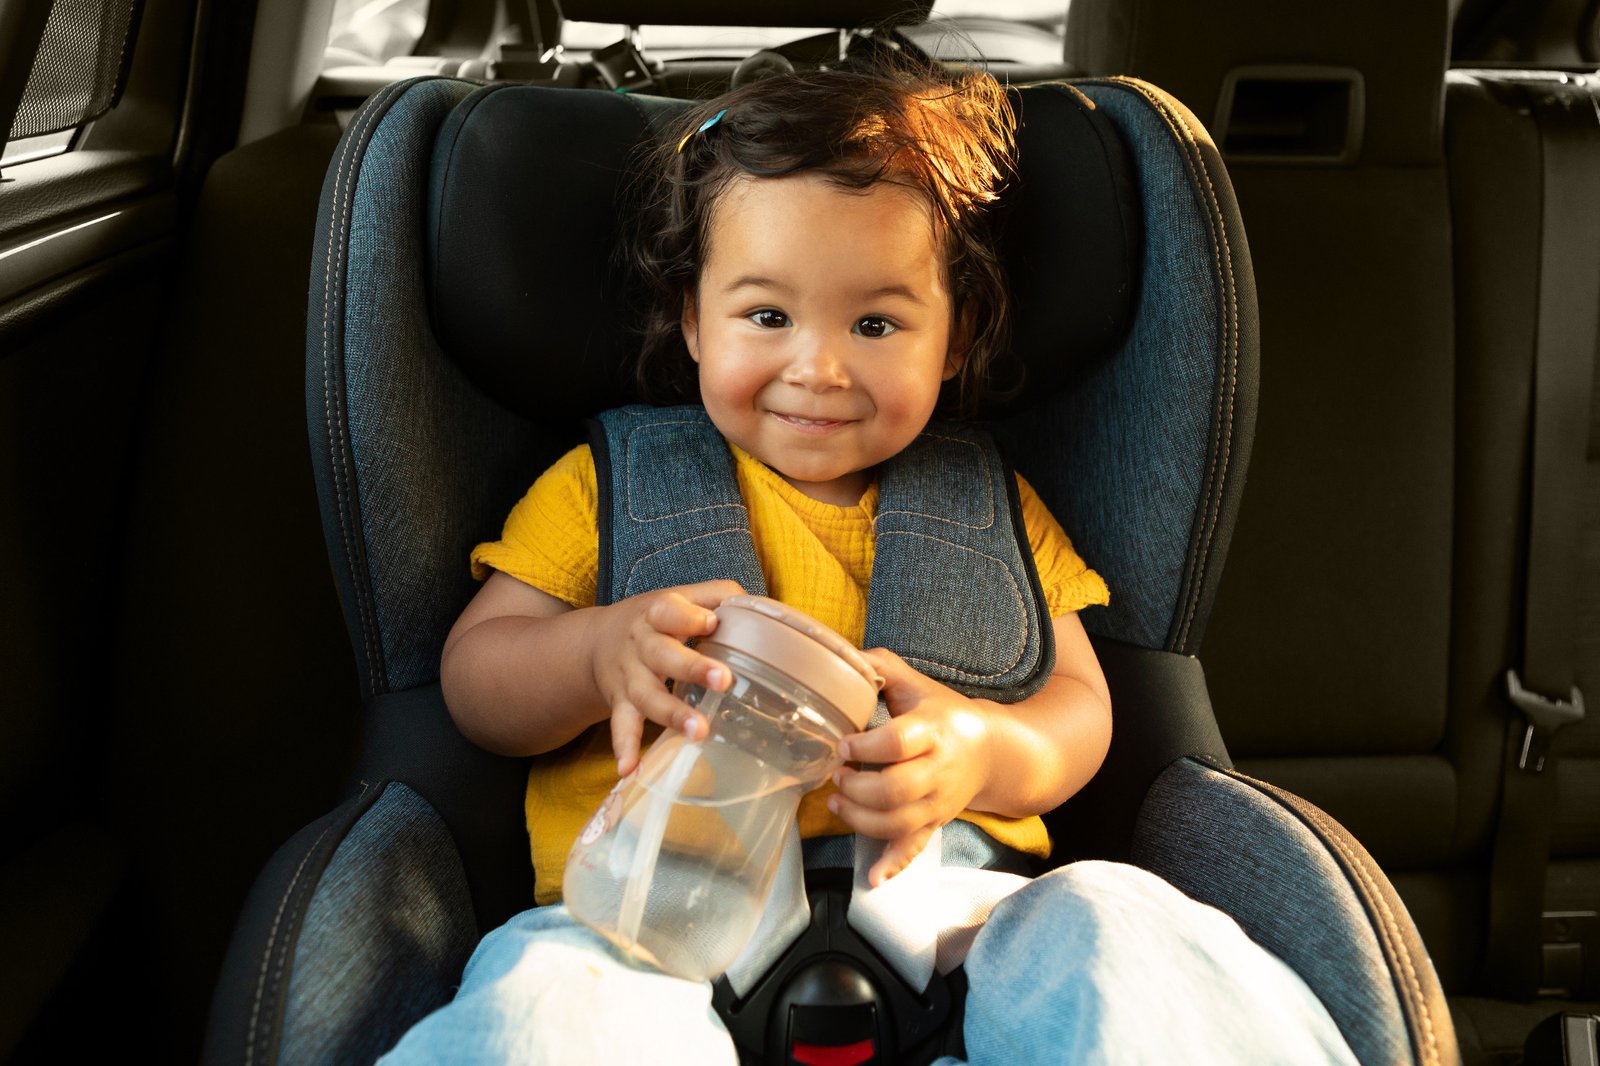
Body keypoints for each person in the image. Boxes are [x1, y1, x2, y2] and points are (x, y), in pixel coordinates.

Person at [378, 56, 1359, 1065]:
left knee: (1120, 923)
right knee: (548, 1008)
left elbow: (1080, 706)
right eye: (766, 315)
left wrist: (980, 748)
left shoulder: (992, 511)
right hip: (646, 919)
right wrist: (594, 656)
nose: (819, 366)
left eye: (877, 323)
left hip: (959, 933)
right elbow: (474, 676)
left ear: (953, 337)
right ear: (691, 319)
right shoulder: (608, 487)